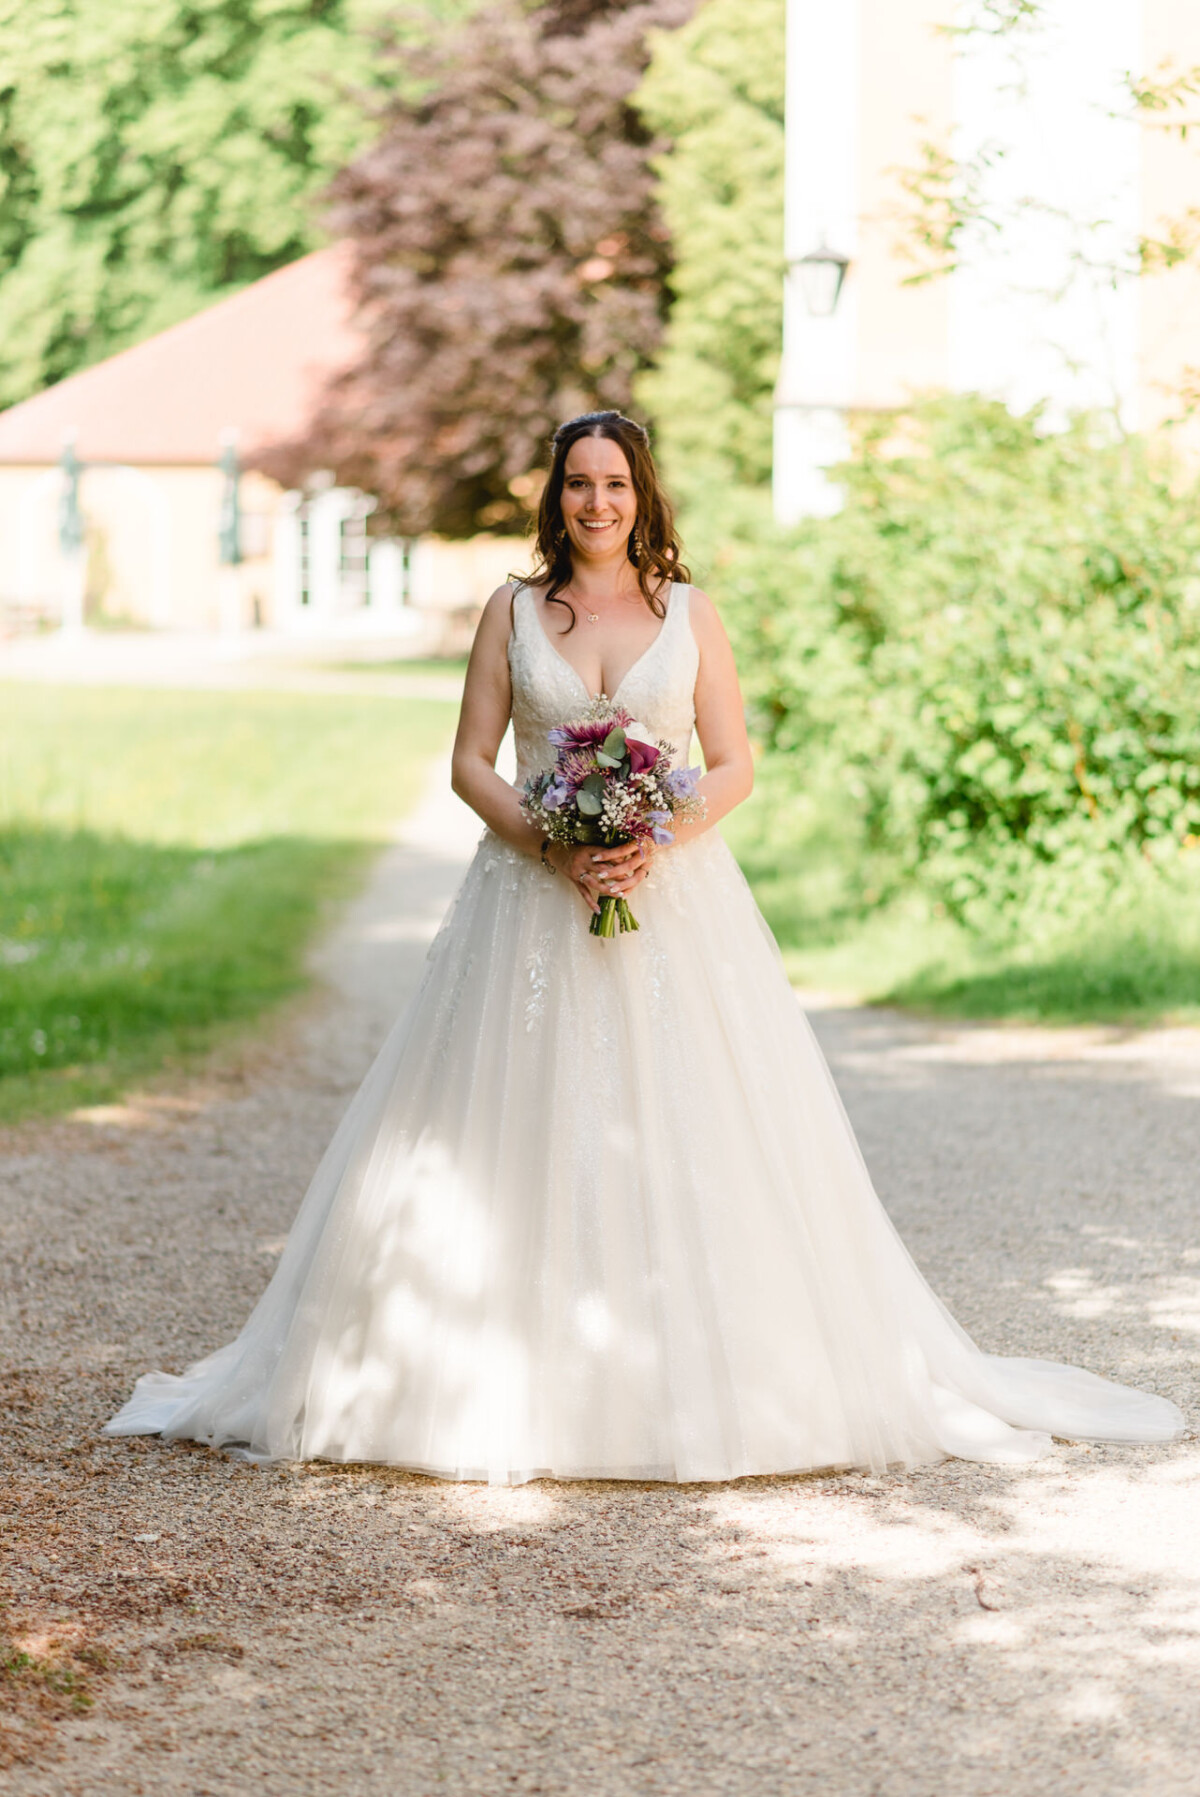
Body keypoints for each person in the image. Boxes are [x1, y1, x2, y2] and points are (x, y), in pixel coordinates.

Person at [106, 411, 1183, 1482]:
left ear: (644, 494)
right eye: (578, 483)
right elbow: (472, 764)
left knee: (696, 1119)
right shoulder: (513, 611)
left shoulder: (691, 613)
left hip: (673, 903)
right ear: (555, 496)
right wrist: (552, 843)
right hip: (528, 905)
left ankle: (713, 1378)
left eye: (616, 484)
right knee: (510, 1120)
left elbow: (732, 762)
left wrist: (649, 838)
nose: (597, 503)